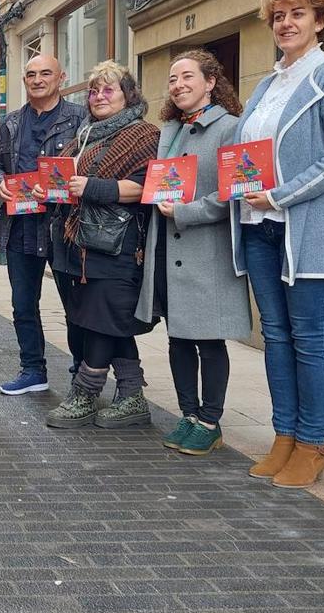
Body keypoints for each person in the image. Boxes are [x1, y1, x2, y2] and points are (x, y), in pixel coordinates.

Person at [232, 0, 324, 488]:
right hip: (260, 228)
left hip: (308, 228)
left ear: (320, 19)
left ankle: (314, 444)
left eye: (296, 14)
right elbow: (250, 156)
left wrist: (279, 194)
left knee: (311, 338)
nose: (285, 24)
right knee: (275, 337)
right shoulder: (268, 84)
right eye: (277, 16)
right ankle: (284, 436)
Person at [134, 52, 251, 455]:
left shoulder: (232, 129)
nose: (179, 85)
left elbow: (234, 190)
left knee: (208, 338)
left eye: (187, 77)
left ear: (211, 81)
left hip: (207, 251)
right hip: (166, 246)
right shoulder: (168, 130)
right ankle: (187, 413)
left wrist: (187, 211)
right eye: (172, 79)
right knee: (177, 336)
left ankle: (210, 420)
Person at [43, 61, 159, 430]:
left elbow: (145, 186)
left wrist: (92, 187)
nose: (99, 96)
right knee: (105, 321)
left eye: (108, 89)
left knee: (100, 321)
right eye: (94, 90)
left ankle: (85, 392)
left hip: (117, 244)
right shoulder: (87, 134)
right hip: (79, 242)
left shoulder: (143, 134)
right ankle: (131, 395)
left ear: (128, 95)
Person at [0, 53, 86, 396]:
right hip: (20, 227)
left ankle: (82, 373)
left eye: (46, 73)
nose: (37, 79)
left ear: (62, 77)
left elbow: (91, 165)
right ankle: (33, 370)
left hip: (64, 228)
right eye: (31, 74)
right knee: (23, 305)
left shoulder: (80, 119)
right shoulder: (11, 123)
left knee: (75, 306)